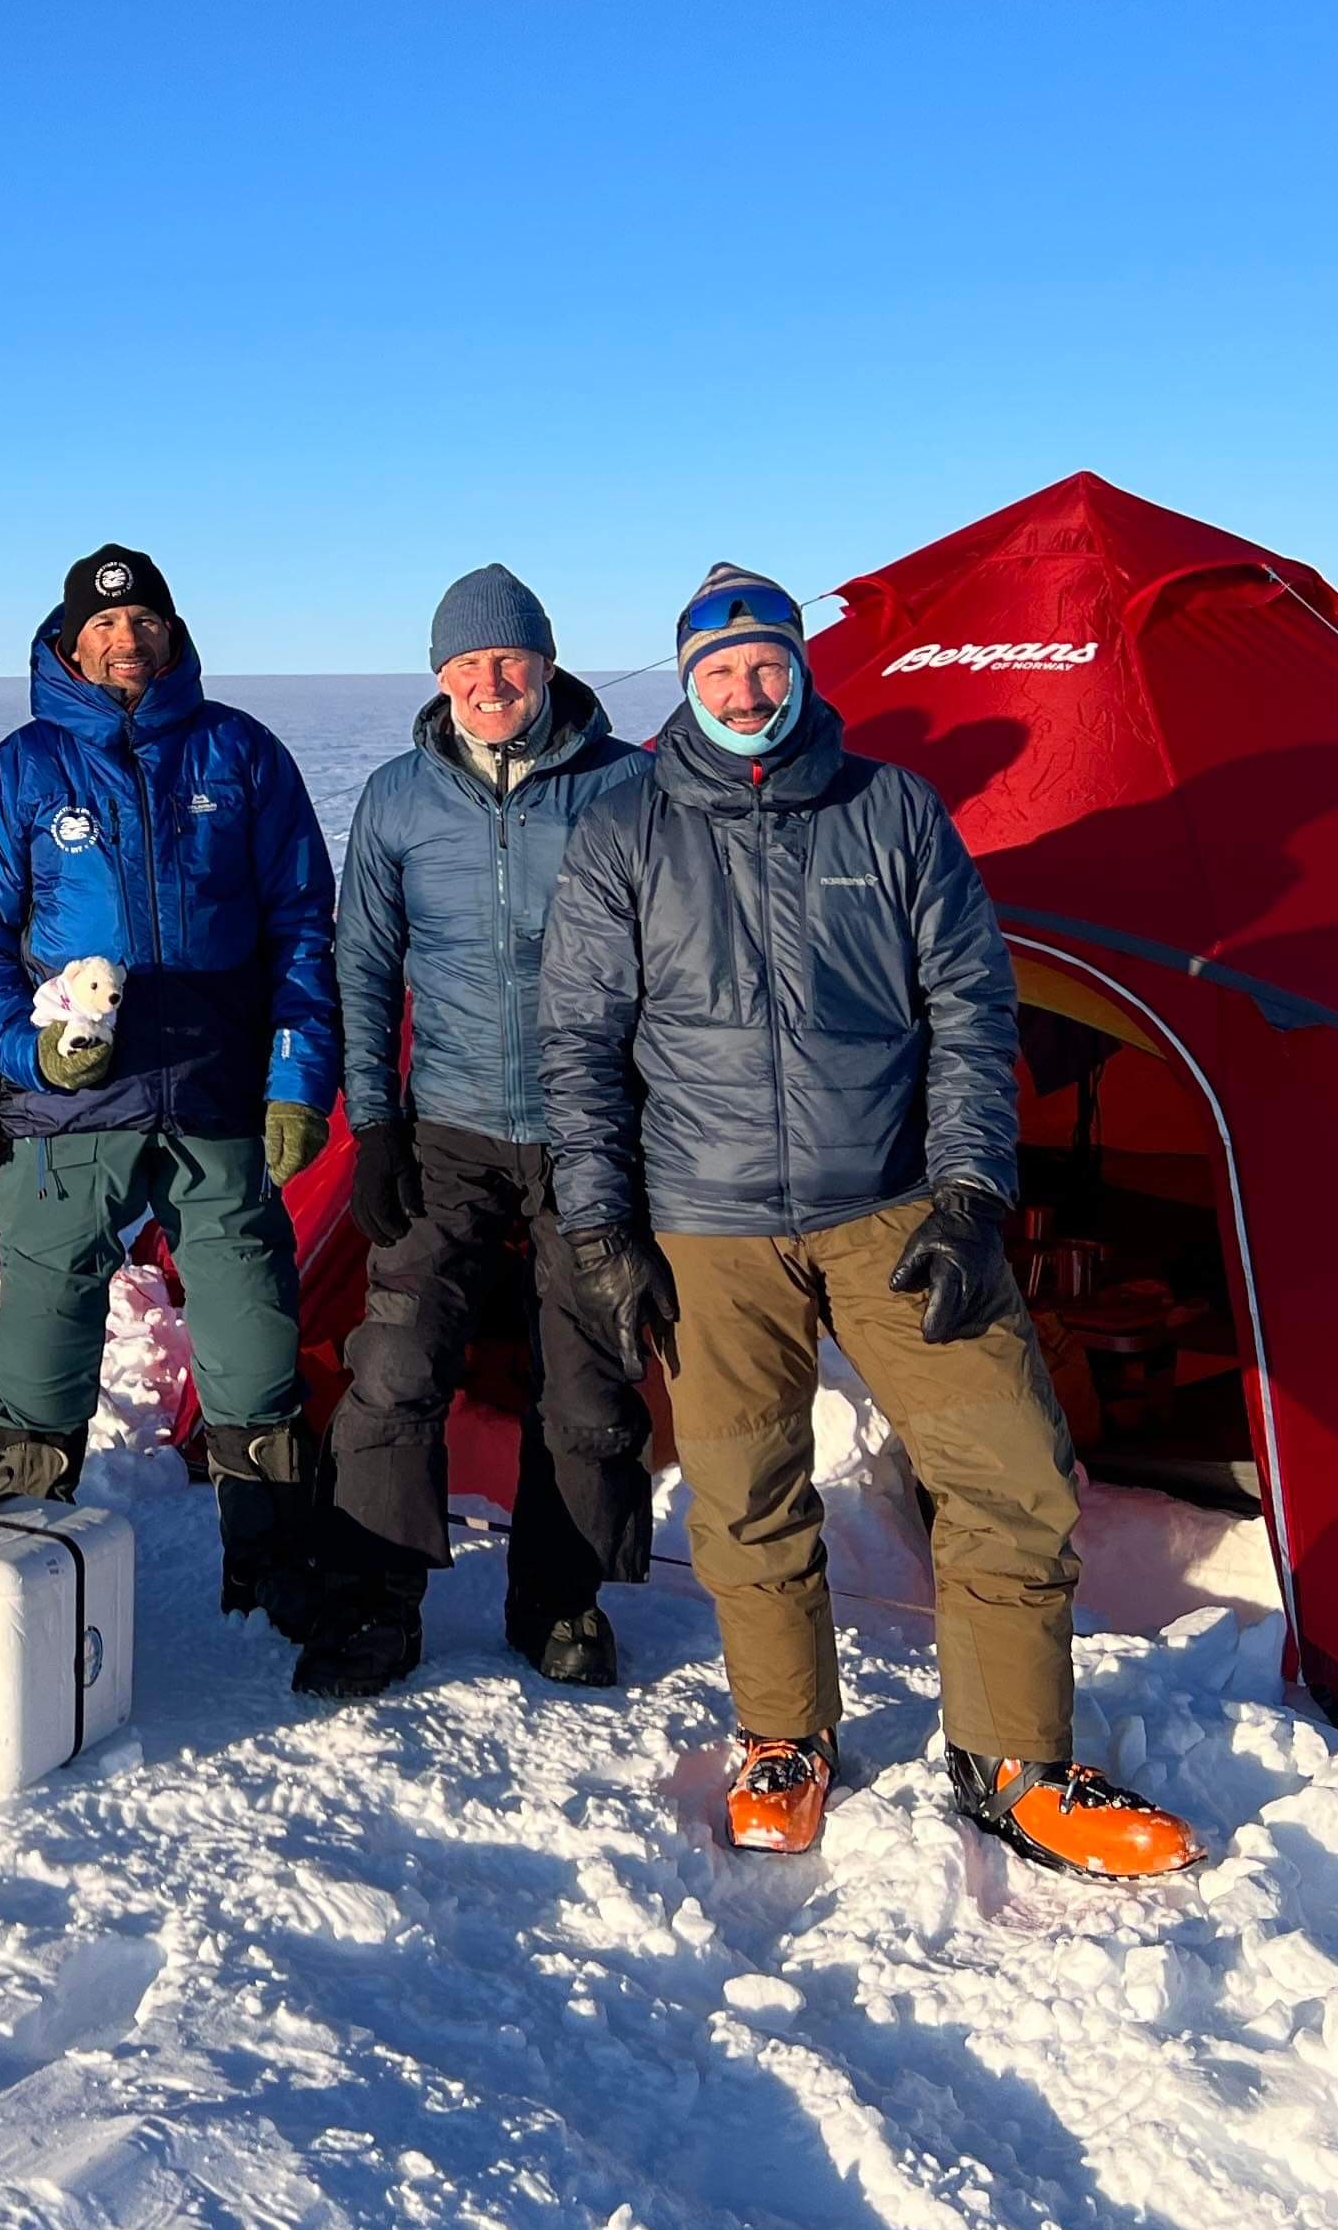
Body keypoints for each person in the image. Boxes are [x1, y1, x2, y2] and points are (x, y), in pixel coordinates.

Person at [538, 565, 1194, 1877]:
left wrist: (969, 1192)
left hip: (893, 1205)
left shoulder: (890, 812)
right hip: (710, 1223)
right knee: (743, 1494)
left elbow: (970, 1008)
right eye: (720, 669)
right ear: (687, 686)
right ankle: (785, 1736)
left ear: (800, 669)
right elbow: (579, 1040)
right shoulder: (624, 832)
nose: (747, 685)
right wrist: (602, 1223)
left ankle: (1017, 1760)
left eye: (767, 660)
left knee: (1008, 1470)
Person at [0, 544, 340, 1628]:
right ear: (70, 646)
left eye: (147, 624)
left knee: (251, 1312)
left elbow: (303, 928)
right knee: (46, 1307)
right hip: (75, 1096)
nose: (129, 643)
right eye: (106, 629)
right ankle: (23, 1534)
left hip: (218, 1088)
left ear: (172, 636)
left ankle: (267, 1542)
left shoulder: (241, 753)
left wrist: (298, 1078)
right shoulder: (22, 771)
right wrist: (30, 1057)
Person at [311, 565, 657, 1701]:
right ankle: (373, 1603)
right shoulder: (400, 798)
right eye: (466, 666)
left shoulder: (627, 789)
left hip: (590, 1131)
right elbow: (362, 964)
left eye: (507, 661)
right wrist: (374, 1126)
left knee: (588, 1374)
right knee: (398, 1360)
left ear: (548, 665)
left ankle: (560, 1602)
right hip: (448, 1123)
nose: (489, 682)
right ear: (440, 679)